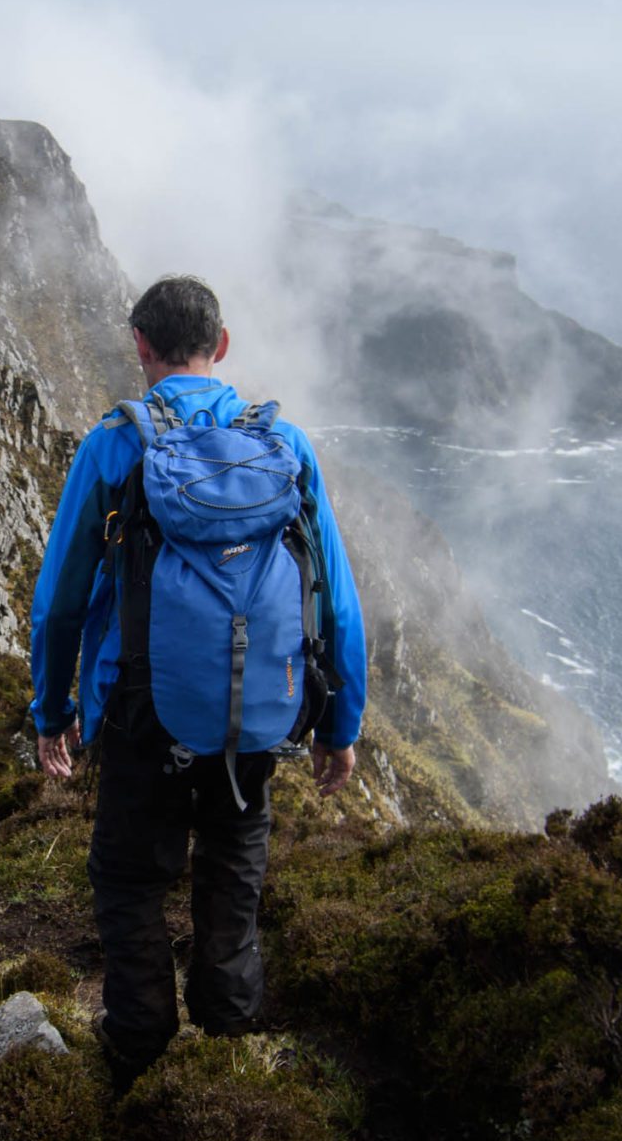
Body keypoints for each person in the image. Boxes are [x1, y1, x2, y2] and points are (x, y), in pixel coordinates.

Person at [28, 275, 368, 1086]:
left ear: (141, 348)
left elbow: (60, 600)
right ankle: (227, 1044)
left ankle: (140, 1050)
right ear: (222, 346)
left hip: (142, 702)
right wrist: (338, 724)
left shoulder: (117, 444)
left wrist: (53, 709)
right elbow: (338, 599)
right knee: (234, 860)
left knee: (128, 874)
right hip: (258, 702)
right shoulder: (284, 446)